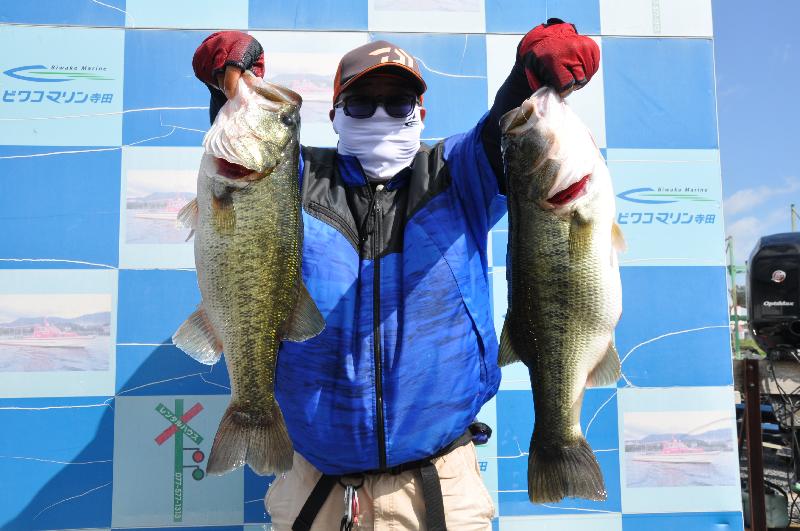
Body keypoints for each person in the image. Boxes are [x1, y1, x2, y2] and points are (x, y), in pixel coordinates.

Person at [192, 19, 599, 531]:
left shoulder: (457, 172)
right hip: (315, 488)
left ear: (420, 114)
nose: (380, 115)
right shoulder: (294, 178)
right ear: (335, 116)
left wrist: (530, 72)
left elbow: (507, 132)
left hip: (441, 491)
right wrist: (226, 83)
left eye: (398, 103)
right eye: (362, 104)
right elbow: (247, 163)